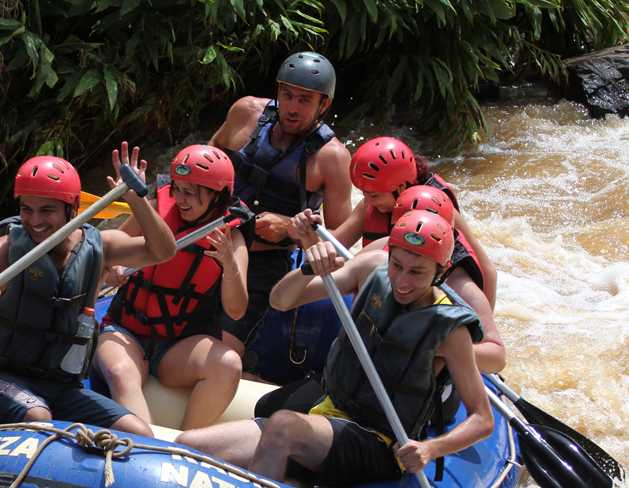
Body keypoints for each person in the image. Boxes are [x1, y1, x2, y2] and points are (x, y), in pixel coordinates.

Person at [175, 211, 494, 488]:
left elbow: (482, 418)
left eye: (417, 272)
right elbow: (280, 301)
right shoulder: (371, 268)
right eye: (397, 264)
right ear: (389, 253)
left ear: (441, 271)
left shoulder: (449, 329)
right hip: (327, 412)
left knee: (284, 424)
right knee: (189, 444)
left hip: (379, 441)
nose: (402, 281)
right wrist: (307, 269)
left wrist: (431, 449)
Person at [0, 144, 176, 438]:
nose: (34, 220)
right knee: (37, 415)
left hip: (61, 385)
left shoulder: (102, 248)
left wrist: (137, 200)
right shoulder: (3, 250)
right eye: (26, 209)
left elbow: (163, 250)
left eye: (47, 210)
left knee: (139, 432)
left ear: (72, 209)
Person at [93, 145, 249, 430]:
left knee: (229, 365)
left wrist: (229, 265)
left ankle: (188, 443)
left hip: (176, 347)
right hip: (124, 331)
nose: (179, 199)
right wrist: (113, 267)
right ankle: (148, 447)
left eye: (190, 192)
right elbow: (111, 246)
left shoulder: (232, 239)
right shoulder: (157, 210)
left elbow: (237, 311)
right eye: (176, 188)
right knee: (121, 372)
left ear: (219, 195)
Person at [208, 51, 353, 357]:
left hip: (263, 263)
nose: (292, 108)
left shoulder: (333, 159)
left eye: (304, 100)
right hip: (210, 239)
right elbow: (209, 154)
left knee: (224, 352)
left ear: (323, 105)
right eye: (287, 96)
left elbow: (340, 241)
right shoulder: (245, 112)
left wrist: (290, 228)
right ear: (277, 90)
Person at [291, 137, 498, 310]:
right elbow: (333, 250)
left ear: (400, 187)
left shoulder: (437, 211)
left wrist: (483, 325)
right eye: (364, 193)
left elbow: (488, 272)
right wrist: (306, 233)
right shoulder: (372, 205)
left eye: (373, 195)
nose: (367, 201)